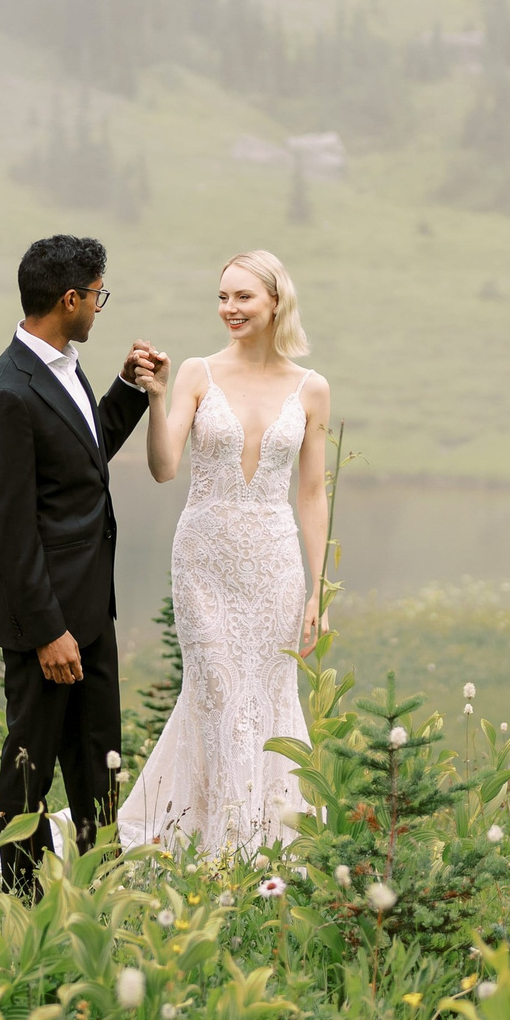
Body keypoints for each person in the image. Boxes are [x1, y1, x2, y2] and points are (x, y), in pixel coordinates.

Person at [117, 249, 331, 854]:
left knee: (268, 693)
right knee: (215, 689)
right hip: (205, 561)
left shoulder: (311, 389)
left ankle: (269, 843)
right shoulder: (196, 373)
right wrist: (156, 397)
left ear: (275, 302)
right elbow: (163, 469)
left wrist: (317, 590)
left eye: (243, 297)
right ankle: (221, 844)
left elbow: (312, 494)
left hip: (275, 563)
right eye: (222, 297)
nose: (229, 309)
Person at [0, 234, 166, 897]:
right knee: (30, 762)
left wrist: (128, 389)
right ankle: (23, 899)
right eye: (96, 295)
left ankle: (101, 884)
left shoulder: (65, 365)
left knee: (98, 757)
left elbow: (84, 458)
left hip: (91, 608)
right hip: (44, 620)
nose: (98, 308)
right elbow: (9, 528)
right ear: (69, 298)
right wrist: (49, 630)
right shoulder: (6, 392)